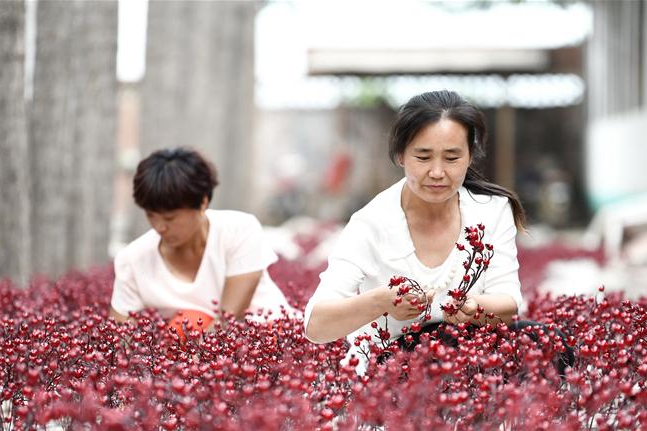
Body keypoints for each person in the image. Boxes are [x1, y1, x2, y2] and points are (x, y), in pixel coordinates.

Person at [304, 90, 529, 367]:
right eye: (423, 158)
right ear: (400, 155)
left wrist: (474, 309)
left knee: (541, 342)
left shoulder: (492, 210)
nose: (437, 172)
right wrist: (381, 302)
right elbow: (316, 324)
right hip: (391, 372)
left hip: (470, 365)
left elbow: (509, 303)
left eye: (451, 158)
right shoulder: (372, 223)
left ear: (471, 156)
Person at [110, 147, 292, 329]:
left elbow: (227, 321)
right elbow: (119, 336)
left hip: (269, 338)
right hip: (189, 346)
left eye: (170, 218)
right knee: (186, 324)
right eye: (151, 215)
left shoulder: (239, 230)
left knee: (189, 322)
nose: (160, 227)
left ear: (203, 201)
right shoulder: (132, 260)